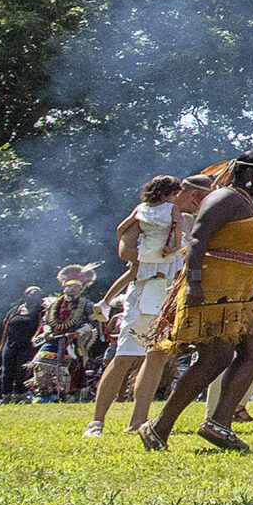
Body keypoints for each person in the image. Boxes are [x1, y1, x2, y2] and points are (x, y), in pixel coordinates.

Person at [139, 117, 253, 452]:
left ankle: (213, 423)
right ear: (248, 173)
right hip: (214, 290)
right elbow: (199, 237)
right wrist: (194, 282)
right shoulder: (224, 198)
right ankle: (163, 427)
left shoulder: (244, 200)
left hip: (238, 293)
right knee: (215, 358)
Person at [85, 176, 184, 437]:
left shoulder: (186, 218)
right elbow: (125, 248)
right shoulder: (144, 215)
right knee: (125, 357)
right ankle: (96, 422)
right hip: (145, 290)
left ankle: (138, 421)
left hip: (169, 293)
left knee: (157, 357)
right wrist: (155, 256)